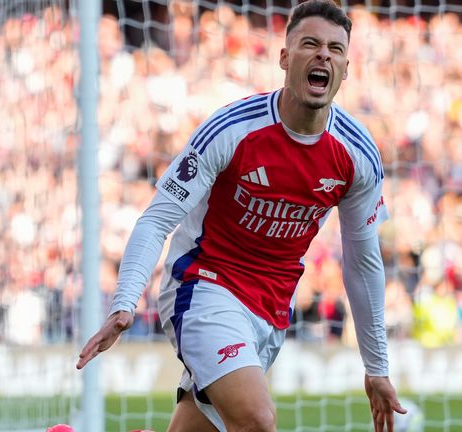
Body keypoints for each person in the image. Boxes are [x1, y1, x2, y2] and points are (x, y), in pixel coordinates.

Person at [76, 1, 406, 431]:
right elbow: (158, 218)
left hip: (270, 310)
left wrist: (376, 366)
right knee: (257, 420)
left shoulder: (358, 155)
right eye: (310, 44)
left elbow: (363, 263)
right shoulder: (232, 130)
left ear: (346, 68)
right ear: (285, 58)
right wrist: (124, 303)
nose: (324, 54)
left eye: (335, 48)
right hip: (203, 286)